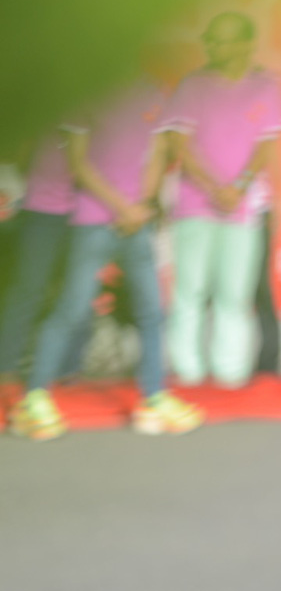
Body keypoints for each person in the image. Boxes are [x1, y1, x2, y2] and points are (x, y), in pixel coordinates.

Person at [8, 78, 202, 440]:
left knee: (152, 312)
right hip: (95, 220)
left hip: (136, 223)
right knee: (73, 309)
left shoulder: (151, 94)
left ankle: (154, 398)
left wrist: (142, 205)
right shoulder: (87, 94)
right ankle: (33, 399)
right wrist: (122, 208)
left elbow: (157, 154)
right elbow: (78, 163)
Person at [162, 13, 281, 389]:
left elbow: (267, 144)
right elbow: (178, 143)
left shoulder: (266, 87)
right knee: (189, 291)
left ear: (246, 44)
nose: (213, 47)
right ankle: (187, 371)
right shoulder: (193, 85)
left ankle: (230, 373)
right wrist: (214, 187)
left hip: (242, 207)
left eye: (222, 40)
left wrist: (239, 186)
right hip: (194, 206)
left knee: (234, 293)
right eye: (211, 40)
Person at [0, 131, 79, 387]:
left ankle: (66, 368)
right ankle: (7, 366)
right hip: (41, 209)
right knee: (29, 290)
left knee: (74, 292)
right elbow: (21, 157)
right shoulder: (47, 120)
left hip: (80, 212)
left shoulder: (90, 115)